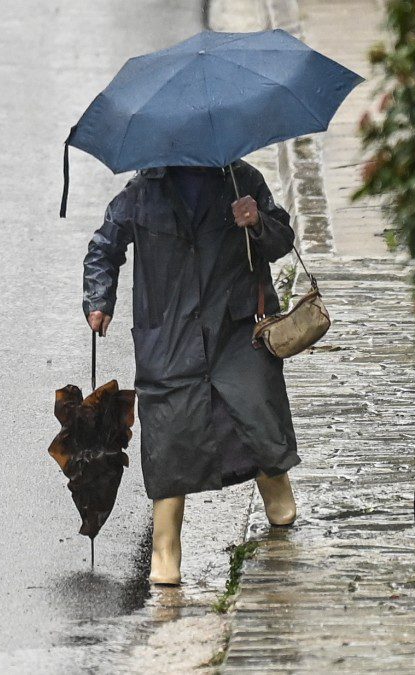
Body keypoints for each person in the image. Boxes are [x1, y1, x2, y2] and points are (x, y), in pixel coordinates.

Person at [83, 161, 299, 585]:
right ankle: (165, 549)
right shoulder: (142, 191)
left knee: (254, 410)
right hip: (169, 335)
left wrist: (257, 221)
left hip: (235, 330)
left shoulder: (241, 180)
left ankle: (276, 486)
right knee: (169, 435)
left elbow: (281, 241)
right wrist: (99, 299)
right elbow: (104, 247)